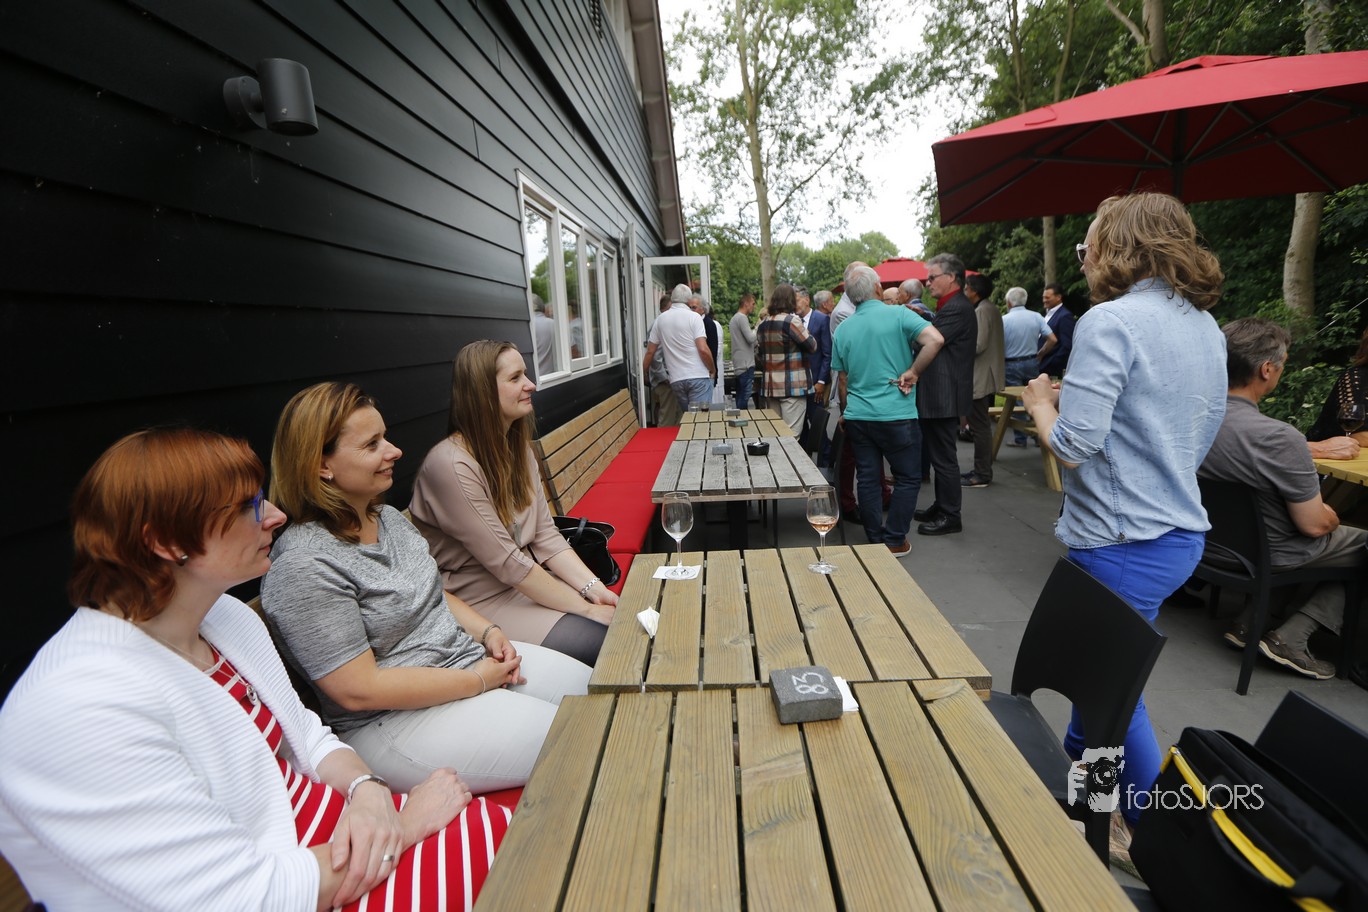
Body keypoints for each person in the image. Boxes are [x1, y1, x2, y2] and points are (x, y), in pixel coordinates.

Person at [0, 428, 509, 911]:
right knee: (522, 860)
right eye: (248, 506)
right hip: (305, 880)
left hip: (337, 840)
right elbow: (240, 899)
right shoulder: (77, 709)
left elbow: (307, 736)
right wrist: (406, 827)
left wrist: (368, 791)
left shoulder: (219, 617)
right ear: (166, 543)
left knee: (514, 832)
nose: (275, 516)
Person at [1022, 191, 1227, 860]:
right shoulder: (1205, 325)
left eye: (1089, 244)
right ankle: (1089, 803)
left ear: (1118, 246)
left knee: (1113, 693)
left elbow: (1074, 445)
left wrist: (1040, 403)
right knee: (1100, 689)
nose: (1084, 257)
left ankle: (1155, 835)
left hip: (1120, 541)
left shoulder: (1109, 321)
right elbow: (1186, 430)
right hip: (1177, 534)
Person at [263, 382, 591, 794]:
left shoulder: (386, 519)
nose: (394, 451)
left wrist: (488, 632)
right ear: (321, 466)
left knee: (599, 689)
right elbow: (357, 691)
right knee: (586, 736)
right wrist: (478, 681)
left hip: (465, 662)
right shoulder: (304, 564)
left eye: (385, 437)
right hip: (393, 721)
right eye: (372, 444)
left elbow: (433, 593)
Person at [410, 339, 618, 666]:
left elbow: (546, 535)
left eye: (526, 374)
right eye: (515, 377)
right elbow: (508, 564)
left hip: (527, 582)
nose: (530, 385)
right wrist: (587, 609)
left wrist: (595, 589)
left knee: (626, 625)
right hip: (480, 603)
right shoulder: (451, 465)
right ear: (482, 392)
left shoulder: (516, 448)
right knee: (605, 643)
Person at [1199, 318, 1366, 679]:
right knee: (1359, 543)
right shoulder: (1278, 438)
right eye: (1283, 364)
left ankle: (1250, 622)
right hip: (1267, 556)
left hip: (1208, 545)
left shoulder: (1194, 416)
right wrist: (1331, 515)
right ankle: (1292, 637)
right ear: (1267, 369)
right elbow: (1314, 525)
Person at [831, 264, 944, 556]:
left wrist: (845, 412)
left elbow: (842, 380)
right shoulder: (899, 314)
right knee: (907, 477)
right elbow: (935, 340)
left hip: (859, 415)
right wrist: (914, 372)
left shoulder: (843, 329)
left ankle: (874, 537)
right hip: (897, 413)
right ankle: (894, 540)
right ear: (877, 288)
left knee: (868, 478)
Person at [914, 253, 977, 536]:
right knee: (940, 455)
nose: (927, 283)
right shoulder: (953, 306)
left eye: (932, 277)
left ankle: (951, 515)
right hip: (942, 393)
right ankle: (942, 506)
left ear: (951, 278)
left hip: (943, 394)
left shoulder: (956, 308)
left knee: (943, 458)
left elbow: (929, 341)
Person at [642, 283, 715, 413]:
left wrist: (644, 373)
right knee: (701, 419)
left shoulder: (660, 320)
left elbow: (650, 352)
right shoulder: (694, 317)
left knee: (688, 417)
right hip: (698, 376)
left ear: (672, 298)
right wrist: (712, 369)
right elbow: (703, 350)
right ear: (689, 300)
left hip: (676, 379)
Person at [756, 283, 818, 435]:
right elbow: (812, 346)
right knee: (791, 435)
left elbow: (759, 354)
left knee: (775, 434)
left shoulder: (763, 324)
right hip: (793, 386)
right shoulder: (791, 322)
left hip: (771, 387)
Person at [962, 273, 1004, 488]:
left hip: (980, 375)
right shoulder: (990, 308)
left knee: (979, 426)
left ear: (974, 291)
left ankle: (982, 473)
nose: (964, 291)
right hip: (987, 373)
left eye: (966, 288)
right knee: (981, 425)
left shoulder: (981, 311)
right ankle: (981, 470)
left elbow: (978, 345)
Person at [1001, 287, 1057, 446]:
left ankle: (1021, 438)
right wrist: (1040, 354)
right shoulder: (1036, 316)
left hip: (1011, 363)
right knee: (1036, 395)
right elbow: (1052, 339)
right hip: (1031, 361)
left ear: (1009, 302)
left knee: (1017, 400)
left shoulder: (1004, 320)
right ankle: (1039, 434)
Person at [648, 294, 682, 427]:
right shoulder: (660, 324)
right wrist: (664, 378)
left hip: (670, 378)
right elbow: (655, 355)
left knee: (675, 415)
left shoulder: (661, 323)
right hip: (665, 381)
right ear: (668, 307)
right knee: (667, 417)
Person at [1038, 282, 1075, 377]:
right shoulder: (1048, 314)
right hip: (1042, 366)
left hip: (1051, 369)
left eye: (1047, 298)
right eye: (1043, 297)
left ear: (1058, 297)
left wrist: (1051, 363)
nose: (1044, 300)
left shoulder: (1065, 316)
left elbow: (1067, 345)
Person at [729, 292, 758, 409]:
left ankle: (739, 417)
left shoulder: (734, 319)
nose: (754, 306)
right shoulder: (742, 318)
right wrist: (757, 328)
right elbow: (750, 338)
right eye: (753, 304)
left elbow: (748, 342)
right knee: (744, 398)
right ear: (746, 303)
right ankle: (742, 419)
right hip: (746, 365)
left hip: (739, 363)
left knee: (740, 396)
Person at [530, 292, 558, 380]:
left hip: (534, 379)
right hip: (555, 376)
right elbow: (573, 350)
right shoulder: (556, 325)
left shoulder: (527, 325)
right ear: (543, 308)